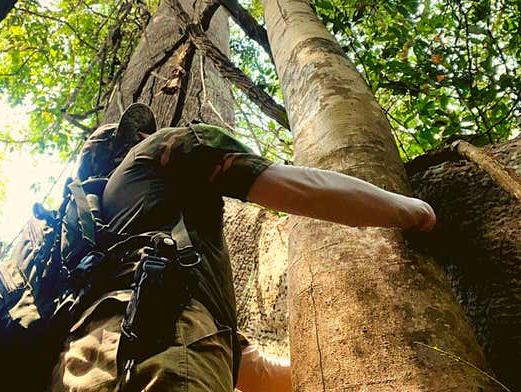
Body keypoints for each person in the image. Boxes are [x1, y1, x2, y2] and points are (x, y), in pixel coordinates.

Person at [50, 103, 435, 392]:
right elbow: (298, 187)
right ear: (135, 141)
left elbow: (253, 372)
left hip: (76, 367)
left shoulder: (97, 234)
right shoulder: (161, 148)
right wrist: (412, 211)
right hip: (162, 342)